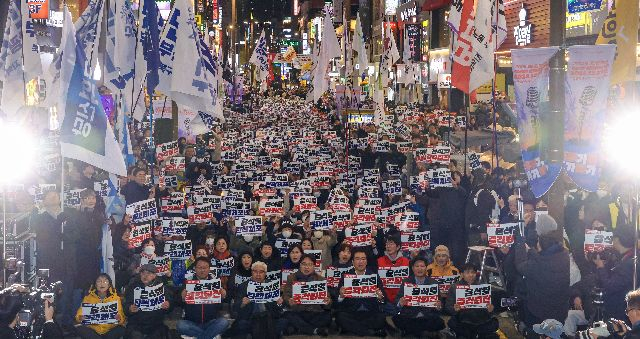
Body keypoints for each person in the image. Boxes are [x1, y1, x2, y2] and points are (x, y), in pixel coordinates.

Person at [62, 188, 106, 327]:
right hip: (78, 257)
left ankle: (89, 317)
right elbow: (70, 236)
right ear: (81, 200)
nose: (91, 200)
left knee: (91, 286)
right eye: (87, 198)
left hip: (93, 258)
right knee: (77, 288)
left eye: (93, 197)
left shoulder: (98, 214)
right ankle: (74, 318)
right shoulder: (74, 214)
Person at [515, 228, 570, 327]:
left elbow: (520, 266)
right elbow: (544, 258)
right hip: (560, 310)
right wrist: (531, 251)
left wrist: (520, 244)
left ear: (541, 247)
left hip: (539, 312)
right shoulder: (563, 257)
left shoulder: (536, 265)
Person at [226, 261, 287, 338]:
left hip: (269, 318)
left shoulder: (272, 285)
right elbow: (235, 307)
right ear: (251, 272)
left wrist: (279, 303)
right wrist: (243, 303)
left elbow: (278, 308)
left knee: (282, 321)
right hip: (250, 318)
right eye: (255, 271)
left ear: (265, 273)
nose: (258, 274)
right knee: (243, 324)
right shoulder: (243, 286)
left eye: (261, 272)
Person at [336, 248, 387, 337]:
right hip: (352, 312)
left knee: (381, 317)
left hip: (370, 311)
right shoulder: (346, 276)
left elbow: (384, 299)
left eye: (363, 259)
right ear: (353, 261)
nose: (360, 262)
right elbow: (337, 300)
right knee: (340, 317)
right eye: (357, 259)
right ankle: (370, 332)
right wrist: (341, 296)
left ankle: (353, 329)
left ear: (367, 261)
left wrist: (380, 297)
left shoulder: (373, 276)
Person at [593, 224, 638, 321]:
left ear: (618, 239)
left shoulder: (629, 263)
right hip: (622, 308)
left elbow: (611, 286)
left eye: (613, 237)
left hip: (621, 311)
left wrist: (601, 267)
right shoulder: (629, 257)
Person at [177, 257, 229, 339]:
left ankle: (197, 336)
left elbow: (221, 304)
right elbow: (179, 303)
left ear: (209, 269)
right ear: (195, 269)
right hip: (192, 322)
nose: (202, 270)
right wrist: (182, 298)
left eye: (205, 268)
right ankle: (211, 336)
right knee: (180, 325)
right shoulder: (188, 283)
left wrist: (223, 296)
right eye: (199, 267)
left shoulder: (215, 283)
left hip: (211, 322)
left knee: (224, 322)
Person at [393, 257, 446, 337]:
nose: (419, 269)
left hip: (427, 316)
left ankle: (412, 332)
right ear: (413, 268)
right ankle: (422, 332)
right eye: (417, 266)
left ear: (426, 268)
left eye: (422, 266)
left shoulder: (433, 283)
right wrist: (400, 303)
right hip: (410, 316)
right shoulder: (406, 282)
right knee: (396, 318)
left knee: (439, 322)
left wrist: (438, 306)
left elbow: (440, 303)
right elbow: (397, 300)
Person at [445, 263, 499, 339]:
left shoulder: (482, 287)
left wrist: (491, 309)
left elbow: (491, 307)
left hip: (481, 320)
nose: (471, 275)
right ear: (462, 274)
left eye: (473, 272)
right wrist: (454, 309)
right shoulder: (454, 287)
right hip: (463, 321)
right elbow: (448, 307)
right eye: (467, 272)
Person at [282, 254, 331, 336]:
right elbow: (286, 295)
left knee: (327, 316)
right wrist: (289, 300)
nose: (306, 267)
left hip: (315, 313)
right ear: (300, 265)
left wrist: (327, 301)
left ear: (314, 266)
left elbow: (328, 300)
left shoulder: (321, 279)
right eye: (304, 264)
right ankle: (314, 330)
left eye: (310, 264)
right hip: (298, 312)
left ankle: (300, 328)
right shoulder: (291, 278)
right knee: (287, 315)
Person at [124, 264, 172, 339]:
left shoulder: (161, 287)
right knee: (135, 335)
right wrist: (130, 308)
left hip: (155, 323)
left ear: (154, 275)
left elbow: (171, 303)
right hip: (136, 322)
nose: (145, 276)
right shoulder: (133, 287)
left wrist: (168, 305)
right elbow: (125, 306)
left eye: (149, 273)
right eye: (143, 273)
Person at [74, 274, 126, 339]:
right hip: (93, 330)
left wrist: (119, 318)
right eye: (99, 281)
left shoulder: (116, 298)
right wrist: (80, 317)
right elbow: (78, 315)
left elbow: (122, 317)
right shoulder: (88, 298)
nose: (102, 284)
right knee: (79, 328)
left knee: (121, 329)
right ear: (95, 285)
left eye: (105, 281)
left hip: (110, 330)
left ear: (109, 284)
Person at [376, 234, 410, 314]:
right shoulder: (379, 261)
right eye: (387, 244)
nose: (388, 246)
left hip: (401, 299)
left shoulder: (406, 262)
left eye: (391, 243)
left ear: (398, 247)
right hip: (385, 300)